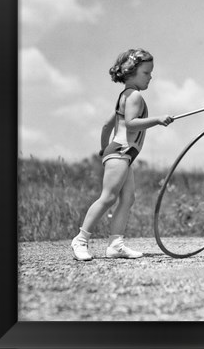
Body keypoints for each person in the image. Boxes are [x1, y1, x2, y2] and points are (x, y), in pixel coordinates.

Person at [71, 48, 174, 260]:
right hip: (121, 152)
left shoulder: (124, 96)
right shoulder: (134, 96)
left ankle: (115, 245)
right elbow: (131, 124)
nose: (150, 77)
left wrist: (103, 151)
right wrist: (157, 119)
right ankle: (80, 240)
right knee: (108, 198)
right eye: (146, 73)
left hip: (120, 153)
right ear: (131, 72)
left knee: (127, 198)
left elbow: (107, 125)